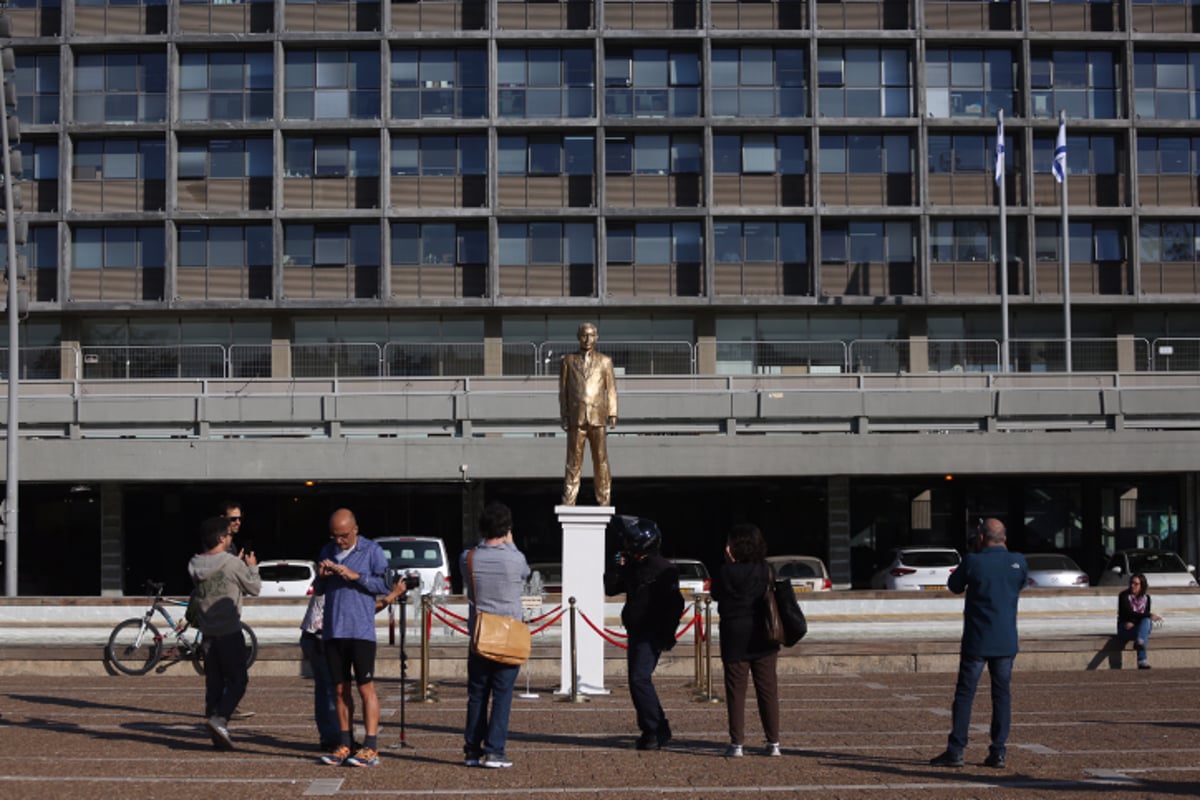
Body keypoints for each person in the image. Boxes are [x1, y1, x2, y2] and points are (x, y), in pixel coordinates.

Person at [931, 518, 1028, 770]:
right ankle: (998, 751)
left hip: (977, 639)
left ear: (981, 538)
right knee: (1002, 695)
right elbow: (1019, 584)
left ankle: (956, 749)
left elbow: (954, 586)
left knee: (965, 695)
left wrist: (974, 553)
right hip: (1006, 639)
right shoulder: (1019, 561)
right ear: (1004, 538)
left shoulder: (973, 561)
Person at [315, 508, 391, 768]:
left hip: (360, 630)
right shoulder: (327, 550)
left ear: (355, 530)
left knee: (365, 688)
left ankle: (370, 746)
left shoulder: (371, 551)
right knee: (339, 689)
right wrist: (322, 578)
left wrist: (356, 576)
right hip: (333, 629)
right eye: (335, 536)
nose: (339, 541)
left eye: (344, 536)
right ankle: (345, 742)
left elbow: (386, 584)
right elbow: (320, 590)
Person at [301, 575, 410, 752]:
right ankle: (336, 739)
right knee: (333, 689)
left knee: (326, 689)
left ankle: (334, 737)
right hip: (323, 635)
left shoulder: (345, 580)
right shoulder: (345, 583)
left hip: (317, 634)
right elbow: (363, 610)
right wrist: (392, 595)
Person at [603, 515, 684, 750]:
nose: (626, 547)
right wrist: (615, 567)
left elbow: (674, 605)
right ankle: (655, 727)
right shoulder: (634, 566)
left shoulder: (663, 569)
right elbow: (611, 588)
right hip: (637, 630)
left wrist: (667, 633)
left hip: (653, 631)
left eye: (630, 543)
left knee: (640, 679)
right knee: (637, 680)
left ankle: (654, 728)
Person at [461, 501, 530, 769]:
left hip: (479, 634)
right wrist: (510, 543)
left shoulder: (467, 558)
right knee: (502, 695)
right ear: (508, 528)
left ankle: (471, 750)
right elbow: (525, 574)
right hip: (509, 634)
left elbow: (468, 581)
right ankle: (495, 751)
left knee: (477, 694)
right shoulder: (515, 558)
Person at [188, 515, 261, 750]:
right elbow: (254, 588)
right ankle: (220, 720)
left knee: (214, 681)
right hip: (229, 630)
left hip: (207, 631)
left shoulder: (194, 563)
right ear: (221, 538)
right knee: (238, 679)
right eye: (229, 535)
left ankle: (214, 722)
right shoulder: (231, 563)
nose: (231, 538)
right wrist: (251, 568)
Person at [712, 523, 781, 758]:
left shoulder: (725, 571)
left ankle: (737, 743)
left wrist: (730, 563)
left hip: (734, 634)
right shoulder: (766, 569)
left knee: (735, 690)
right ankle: (773, 742)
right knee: (768, 689)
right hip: (764, 632)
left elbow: (716, 595)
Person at [559, 322, 618, 506]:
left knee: (600, 460)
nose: (588, 339)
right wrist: (564, 415)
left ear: (597, 337)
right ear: (578, 337)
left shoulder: (605, 361)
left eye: (591, 335)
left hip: (597, 416)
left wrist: (613, 412)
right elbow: (563, 392)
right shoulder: (568, 361)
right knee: (573, 461)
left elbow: (611, 389)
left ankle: (604, 499)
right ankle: (569, 499)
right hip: (576, 417)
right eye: (584, 335)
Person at [1117, 572, 1162, 669]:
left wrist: (1134, 622)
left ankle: (1139, 642)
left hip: (1138, 627)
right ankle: (1142, 661)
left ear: (1142, 585)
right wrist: (1149, 615)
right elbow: (1127, 613)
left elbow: (1143, 615)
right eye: (1131, 583)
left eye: (1136, 584)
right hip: (1125, 628)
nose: (1132, 586)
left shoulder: (1147, 598)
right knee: (1146, 623)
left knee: (1146, 621)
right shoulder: (1124, 596)